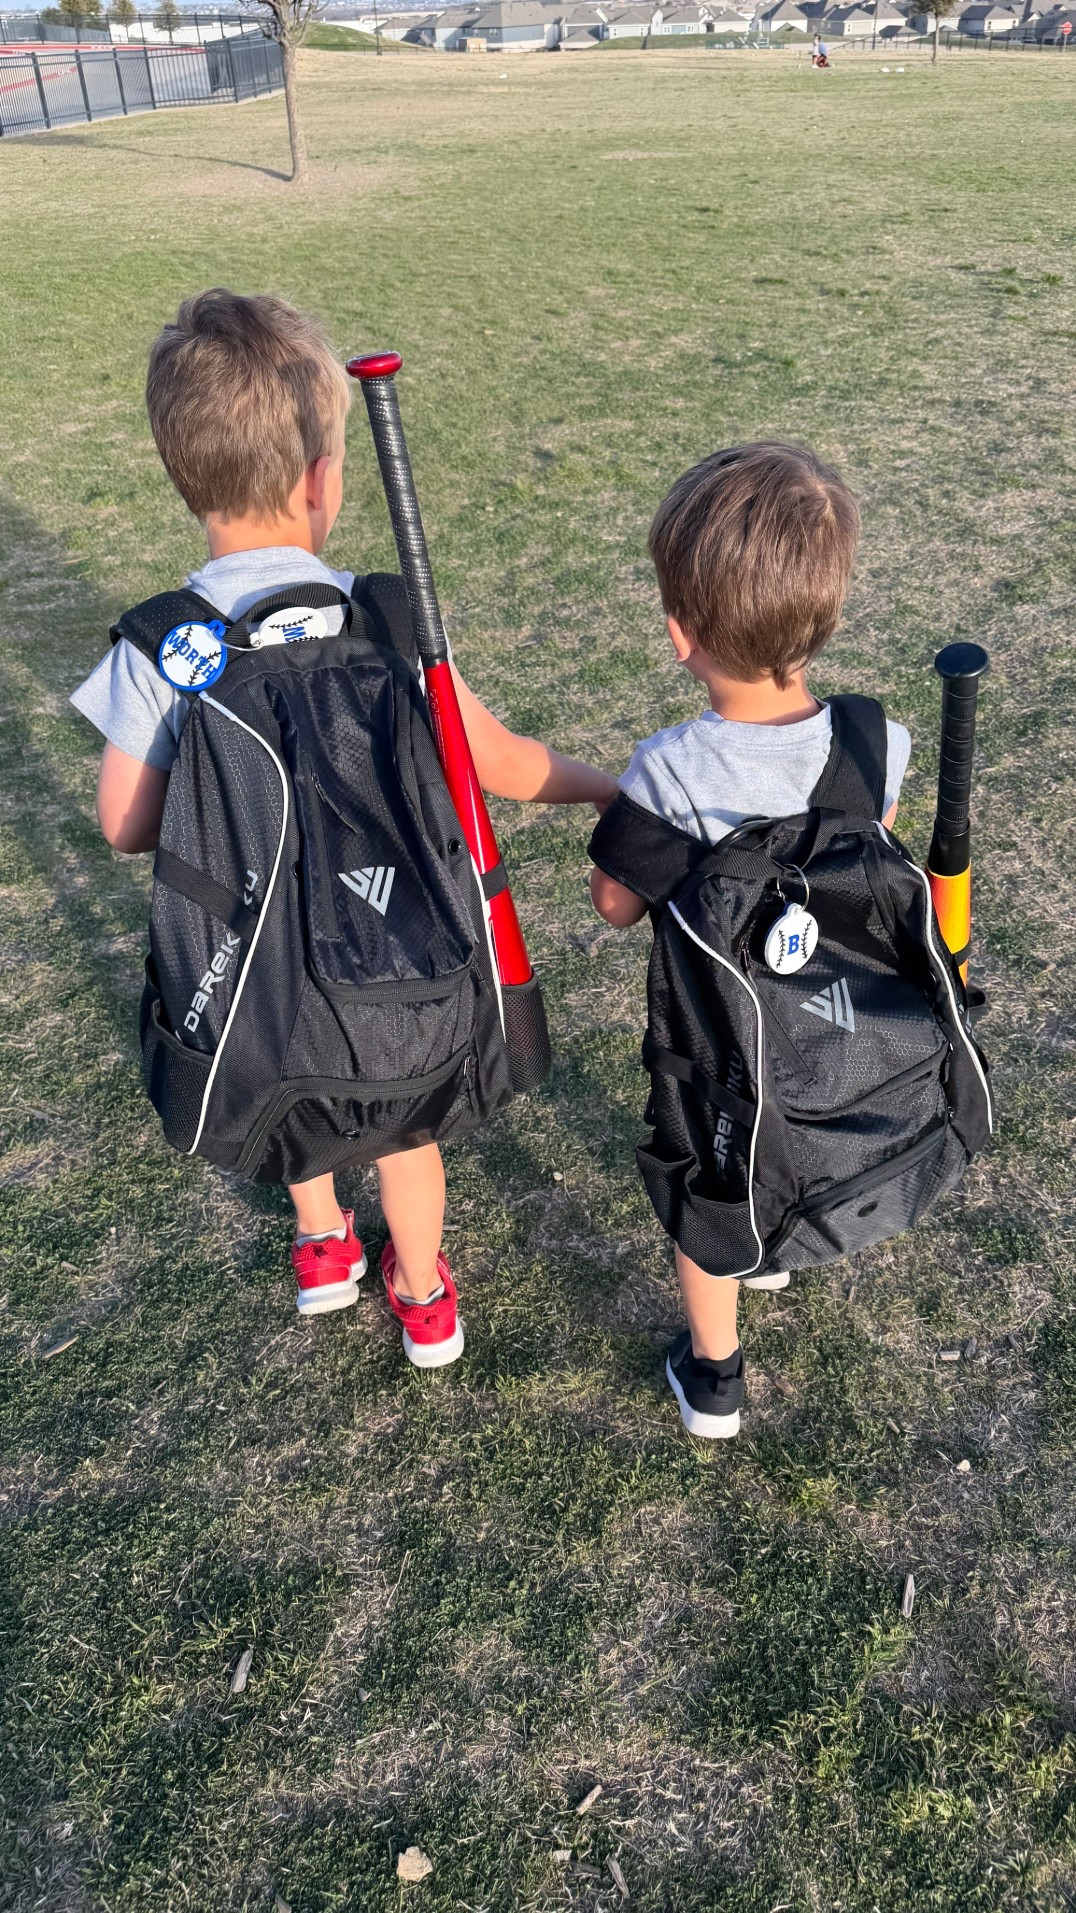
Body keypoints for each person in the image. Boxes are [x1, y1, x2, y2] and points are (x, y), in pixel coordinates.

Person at [71, 289, 616, 1366]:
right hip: (403, 972)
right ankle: (421, 1290)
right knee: (408, 1136)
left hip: (265, 990)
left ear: (184, 477)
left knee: (299, 1096)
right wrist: (611, 787)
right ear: (325, 479)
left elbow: (123, 824)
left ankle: (322, 1240)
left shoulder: (166, 642)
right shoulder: (387, 615)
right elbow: (498, 765)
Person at [589, 443, 910, 1435]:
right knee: (792, 1124)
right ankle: (777, 1244)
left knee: (709, 1190)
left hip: (716, 1048)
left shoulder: (669, 771)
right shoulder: (876, 737)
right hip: (829, 1019)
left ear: (680, 634)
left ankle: (714, 1375)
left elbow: (613, 904)